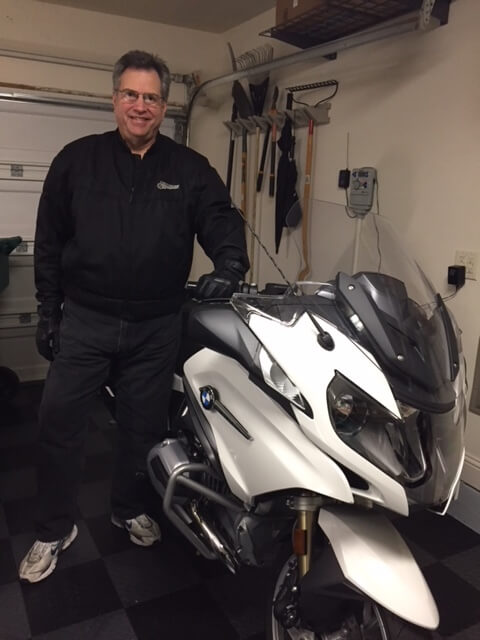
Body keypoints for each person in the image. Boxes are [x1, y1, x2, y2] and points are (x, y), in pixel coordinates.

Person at [19, 50, 249, 583]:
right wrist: (47, 311)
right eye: (130, 95)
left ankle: (128, 508)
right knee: (58, 423)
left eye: (150, 97)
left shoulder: (189, 169)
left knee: (143, 429)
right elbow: (49, 242)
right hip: (86, 319)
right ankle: (55, 528)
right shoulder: (76, 160)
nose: (139, 106)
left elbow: (219, 219)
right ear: (114, 98)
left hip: (155, 325)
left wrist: (231, 262)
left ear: (164, 105)